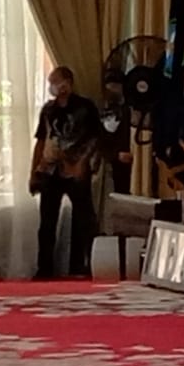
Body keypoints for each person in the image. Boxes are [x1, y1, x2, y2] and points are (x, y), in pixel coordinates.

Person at [29, 66, 100, 279]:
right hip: (50, 171)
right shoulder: (48, 110)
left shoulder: (86, 108)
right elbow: (41, 140)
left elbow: (95, 138)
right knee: (47, 223)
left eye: (57, 81)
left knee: (84, 220)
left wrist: (83, 164)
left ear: (68, 82)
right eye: (51, 82)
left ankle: (84, 266)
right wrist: (34, 171)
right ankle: (44, 269)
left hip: (76, 170)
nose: (54, 87)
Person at [99, 71, 134, 195]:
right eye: (110, 88)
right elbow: (101, 142)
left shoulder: (132, 109)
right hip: (117, 165)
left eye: (115, 87)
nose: (112, 91)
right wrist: (116, 155)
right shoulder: (106, 113)